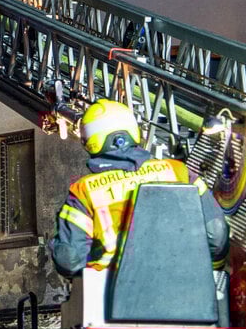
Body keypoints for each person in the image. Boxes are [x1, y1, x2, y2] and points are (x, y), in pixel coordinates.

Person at [47, 98, 229, 277]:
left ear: (89, 141)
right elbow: (216, 232)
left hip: (114, 299)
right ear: (133, 130)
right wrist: (210, 274)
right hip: (188, 290)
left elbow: (70, 259)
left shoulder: (84, 192)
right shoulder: (178, 172)